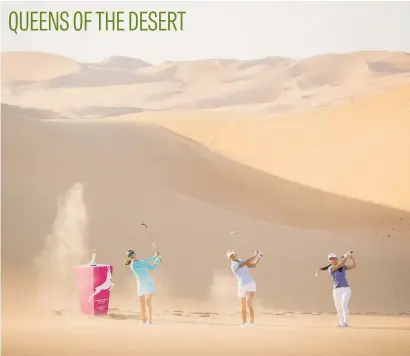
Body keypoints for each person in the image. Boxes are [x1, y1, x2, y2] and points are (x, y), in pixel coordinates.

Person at [124, 249, 161, 325]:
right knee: (141, 304)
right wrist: (155, 256)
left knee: (148, 303)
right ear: (130, 257)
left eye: (132, 254)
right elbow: (146, 261)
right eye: (130, 256)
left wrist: (157, 260)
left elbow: (152, 267)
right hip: (141, 285)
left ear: (135, 254)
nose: (132, 256)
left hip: (148, 283)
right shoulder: (133, 265)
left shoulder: (142, 262)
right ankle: (144, 320)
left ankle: (149, 322)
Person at [226, 249, 262, 326]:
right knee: (243, 305)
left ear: (235, 254)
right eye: (230, 256)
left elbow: (253, 265)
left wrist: (258, 258)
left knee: (248, 303)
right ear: (229, 258)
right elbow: (246, 262)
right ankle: (244, 323)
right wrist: (255, 255)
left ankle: (252, 322)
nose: (232, 256)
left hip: (251, 283)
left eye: (233, 254)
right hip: (241, 285)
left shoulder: (241, 260)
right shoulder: (234, 265)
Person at [327, 251, 356, 327]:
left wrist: (351, 257)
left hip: (346, 289)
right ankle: (341, 323)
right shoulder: (330, 268)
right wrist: (346, 257)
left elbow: (353, 266)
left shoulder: (342, 267)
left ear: (336, 259)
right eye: (331, 259)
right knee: (338, 307)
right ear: (329, 261)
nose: (332, 260)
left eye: (333, 258)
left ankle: (345, 323)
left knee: (344, 304)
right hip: (336, 290)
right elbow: (341, 264)